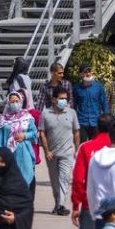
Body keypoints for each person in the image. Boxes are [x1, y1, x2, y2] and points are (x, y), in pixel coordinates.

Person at [72, 113, 115, 229]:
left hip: (90, 205)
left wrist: (76, 205)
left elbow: (78, 179)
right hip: (114, 208)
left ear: (97, 127)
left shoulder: (85, 147)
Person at [40, 86, 81, 216]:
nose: (64, 101)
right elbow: (42, 133)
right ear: (53, 99)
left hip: (67, 152)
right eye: (61, 98)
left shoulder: (72, 113)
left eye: (65, 99)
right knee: (54, 181)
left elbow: (76, 131)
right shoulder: (45, 113)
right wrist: (46, 151)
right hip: (51, 154)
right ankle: (57, 204)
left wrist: (77, 149)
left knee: (64, 179)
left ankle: (61, 205)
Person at [0, 90, 38, 191]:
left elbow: (34, 134)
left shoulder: (27, 117)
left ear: (21, 102)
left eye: (17, 101)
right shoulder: (3, 119)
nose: (15, 104)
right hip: (9, 155)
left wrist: (25, 135)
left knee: (26, 177)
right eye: (12, 102)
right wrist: (1, 155)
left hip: (24, 153)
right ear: (8, 103)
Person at [75, 64, 110, 141]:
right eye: (85, 72)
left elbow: (104, 102)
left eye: (89, 71)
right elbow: (74, 105)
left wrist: (107, 118)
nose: (88, 74)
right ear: (80, 74)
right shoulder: (76, 88)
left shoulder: (98, 87)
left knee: (96, 144)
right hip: (82, 122)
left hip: (96, 121)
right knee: (83, 144)